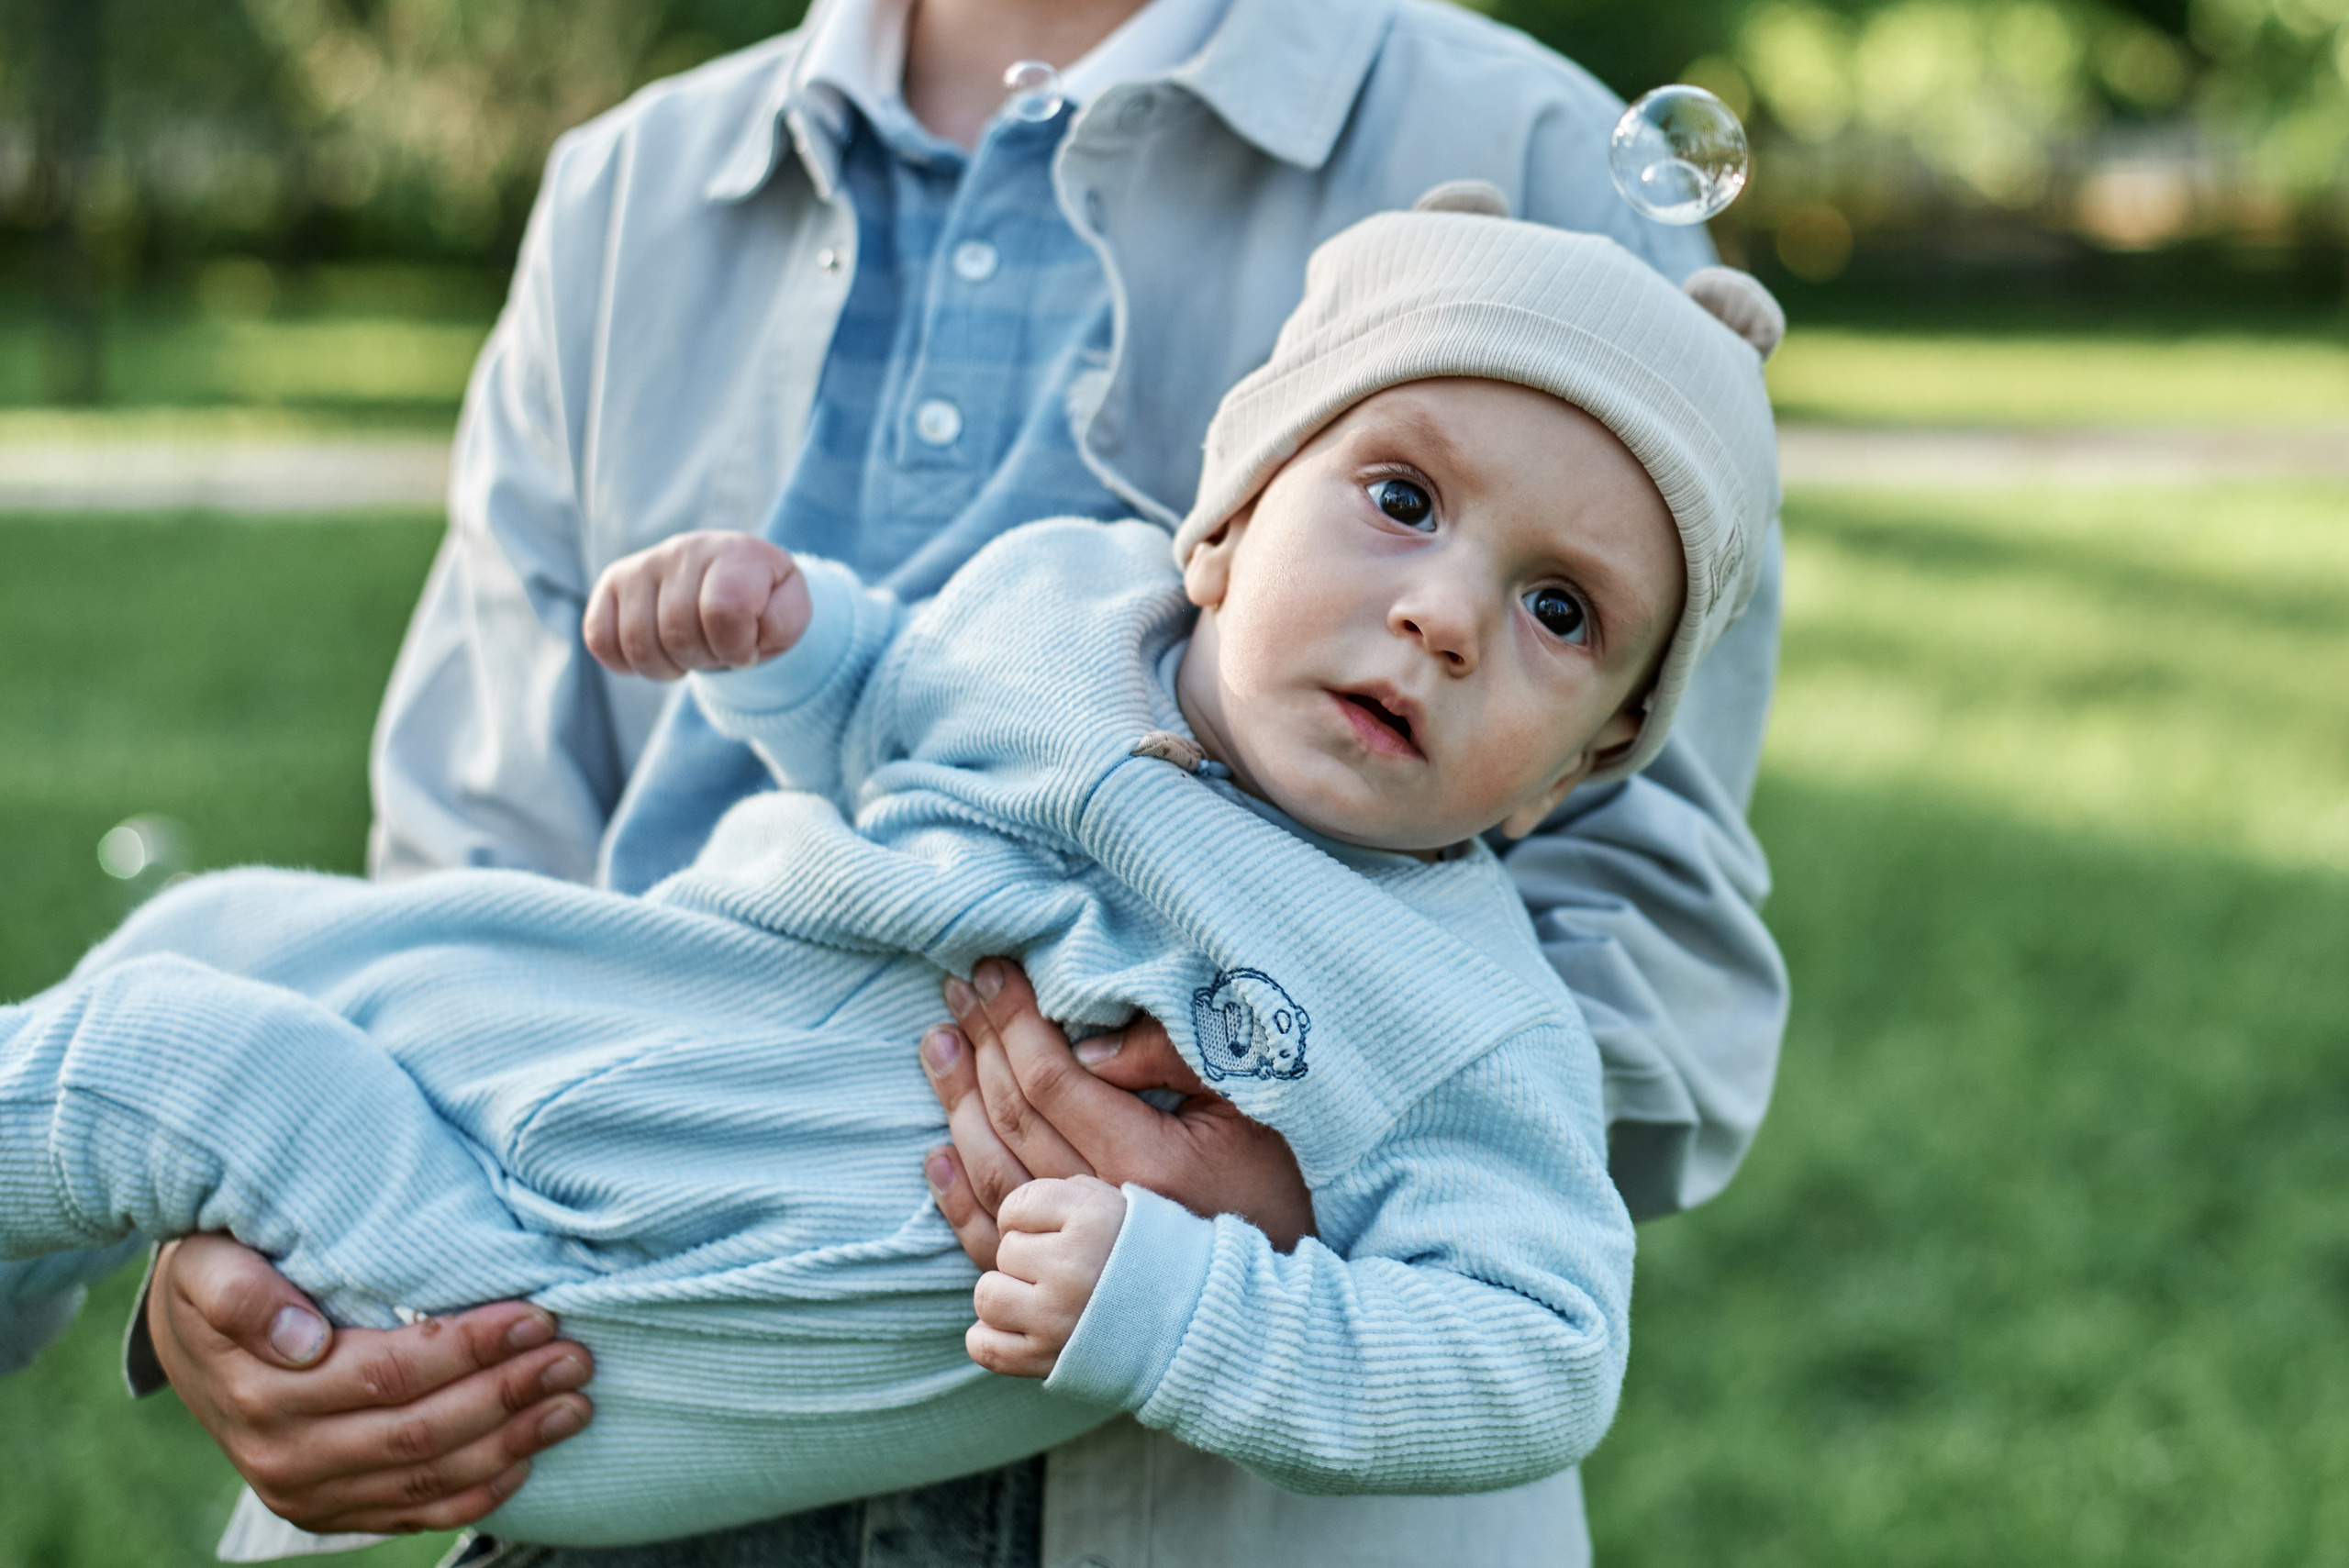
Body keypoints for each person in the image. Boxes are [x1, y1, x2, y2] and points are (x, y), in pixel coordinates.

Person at [117, 0, 1787, 1561]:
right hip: (620, 1357)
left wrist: (1274, 1190)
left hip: (1208, 1488)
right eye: (1402, 505)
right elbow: (461, 883)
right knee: (152, 1022)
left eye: (1552, 608)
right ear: (1214, 532)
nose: (1439, 612)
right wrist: (247, 1273)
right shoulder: (632, 194)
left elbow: (1656, 955)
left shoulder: (1543, 152)